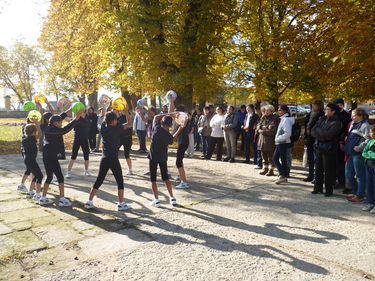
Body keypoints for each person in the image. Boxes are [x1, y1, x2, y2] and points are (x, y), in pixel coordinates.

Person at [84, 108, 132, 211]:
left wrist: (108, 110)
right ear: (113, 121)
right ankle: (121, 204)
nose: (117, 120)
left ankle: (89, 202)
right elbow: (129, 123)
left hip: (104, 158)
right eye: (116, 119)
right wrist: (126, 112)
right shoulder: (116, 128)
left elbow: (106, 118)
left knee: (99, 180)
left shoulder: (103, 127)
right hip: (113, 159)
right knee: (120, 181)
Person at [39, 110, 83, 206]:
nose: (62, 124)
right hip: (51, 157)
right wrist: (75, 120)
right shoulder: (51, 130)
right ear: (56, 123)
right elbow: (65, 130)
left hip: (47, 156)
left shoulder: (48, 126)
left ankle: (43, 198)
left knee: (49, 177)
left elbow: (58, 118)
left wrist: (70, 110)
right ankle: (62, 199)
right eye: (61, 122)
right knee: (60, 177)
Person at [311, 103, 341, 197]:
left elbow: (330, 135)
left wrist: (320, 134)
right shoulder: (321, 119)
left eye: (327, 109)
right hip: (319, 147)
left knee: (328, 170)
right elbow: (313, 131)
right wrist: (322, 134)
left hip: (329, 149)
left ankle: (328, 190)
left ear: (333, 111)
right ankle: (317, 188)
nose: (325, 110)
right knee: (318, 169)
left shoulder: (337, 122)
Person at [148, 113, 177, 207]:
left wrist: (170, 114)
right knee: (165, 178)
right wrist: (180, 129)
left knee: (153, 179)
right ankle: (172, 197)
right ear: (170, 125)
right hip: (163, 158)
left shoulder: (156, 128)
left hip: (153, 157)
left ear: (161, 122)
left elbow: (156, 116)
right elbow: (172, 139)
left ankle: (156, 199)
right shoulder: (168, 135)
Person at [344, 108, 371, 202]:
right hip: (351, 153)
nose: (352, 117)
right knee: (348, 174)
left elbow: (368, 139)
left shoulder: (365, 125)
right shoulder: (353, 124)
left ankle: (360, 195)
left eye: (354, 115)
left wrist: (360, 147)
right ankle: (356, 192)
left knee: (360, 175)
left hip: (358, 154)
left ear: (360, 116)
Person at [169, 101, 190, 189]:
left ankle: (184, 182)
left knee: (178, 162)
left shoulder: (183, 119)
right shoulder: (180, 118)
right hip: (182, 141)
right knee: (180, 160)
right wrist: (171, 101)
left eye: (176, 112)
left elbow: (181, 129)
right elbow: (171, 113)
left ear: (180, 113)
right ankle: (181, 176)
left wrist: (172, 137)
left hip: (183, 142)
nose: (175, 114)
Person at [273, 105, 295, 184]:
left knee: (281, 159)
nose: (279, 111)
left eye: (280, 110)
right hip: (280, 142)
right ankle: (282, 175)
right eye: (278, 110)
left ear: (285, 111)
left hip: (283, 142)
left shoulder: (286, 120)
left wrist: (278, 139)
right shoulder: (283, 119)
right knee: (276, 158)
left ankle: (283, 175)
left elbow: (287, 133)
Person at [303, 101, 324, 182]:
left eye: (314, 105)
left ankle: (317, 177)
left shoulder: (321, 114)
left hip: (316, 139)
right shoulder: (310, 114)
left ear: (319, 106)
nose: (313, 107)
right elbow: (306, 124)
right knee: (311, 159)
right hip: (309, 139)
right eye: (312, 105)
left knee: (317, 159)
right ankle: (310, 175)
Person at [66, 110, 91, 178]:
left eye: (83, 112)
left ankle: (86, 171)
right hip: (77, 139)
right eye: (80, 112)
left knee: (86, 155)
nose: (82, 113)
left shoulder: (87, 118)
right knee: (73, 155)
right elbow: (66, 118)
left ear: (85, 113)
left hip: (85, 140)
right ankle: (68, 172)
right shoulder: (76, 119)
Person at [21, 123, 43, 200]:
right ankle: (37, 194)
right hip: (31, 160)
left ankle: (30, 192)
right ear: (34, 132)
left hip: (27, 159)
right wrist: (38, 124)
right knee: (40, 176)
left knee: (36, 175)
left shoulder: (24, 139)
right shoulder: (32, 138)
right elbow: (40, 134)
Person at [256, 105, 279, 176]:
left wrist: (262, 131)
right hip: (262, 140)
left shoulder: (275, 119)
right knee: (264, 156)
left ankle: (271, 170)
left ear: (271, 111)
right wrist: (263, 127)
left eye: (267, 110)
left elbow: (272, 131)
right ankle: (265, 168)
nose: (266, 112)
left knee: (270, 156)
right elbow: (257, 127)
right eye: (265, 110)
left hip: (270, 140)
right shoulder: (263, 118)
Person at [334, 98, 351, 190]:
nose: (339, 106)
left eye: (341, 105)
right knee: (333, 163)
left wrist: (341, 142)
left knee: (340, 163)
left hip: (341, 141)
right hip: (331, 142)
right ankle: (334, 180)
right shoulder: (333, 114)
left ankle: (341, 181)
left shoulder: (347, 116)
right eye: (337, 105)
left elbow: (345, 131)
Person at [361, 125, 375, 213]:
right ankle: (370, 203)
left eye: (371, 132)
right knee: (369, 185)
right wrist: (370, 154)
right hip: (368, 166)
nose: (369, 133)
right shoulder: (371, 141)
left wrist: (369, 154)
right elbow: (364, 152)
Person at [118, 109, 134, 175]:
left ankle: (130, 169)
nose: (121, 111)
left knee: (126, 154)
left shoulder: (129, 117)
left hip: (127, 138)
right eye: (120, 110)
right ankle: (113, 167)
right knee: (113, 151)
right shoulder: (119, 118)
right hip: (120, 138)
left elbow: (130, 124)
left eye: (122, 110)